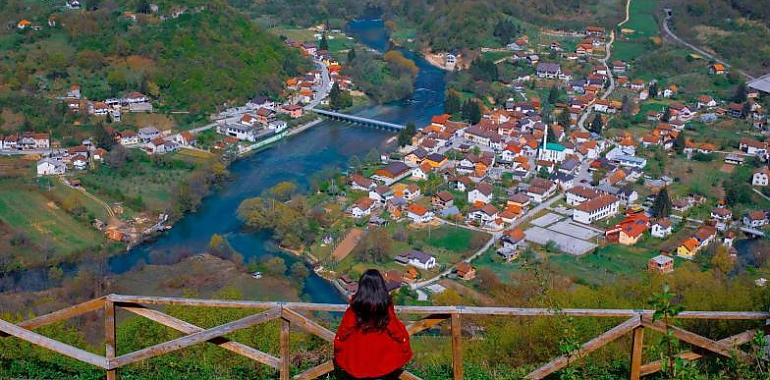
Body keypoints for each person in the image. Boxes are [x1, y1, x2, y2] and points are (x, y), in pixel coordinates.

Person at [334, 269, 412, 379]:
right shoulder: (385, 307)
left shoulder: (355, 308)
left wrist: (338, 348)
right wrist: (404, 346)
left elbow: (343, 332)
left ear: (362, 287)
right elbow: (396, 330)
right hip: (382, 362)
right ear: (380, 286)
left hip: (358, 361)